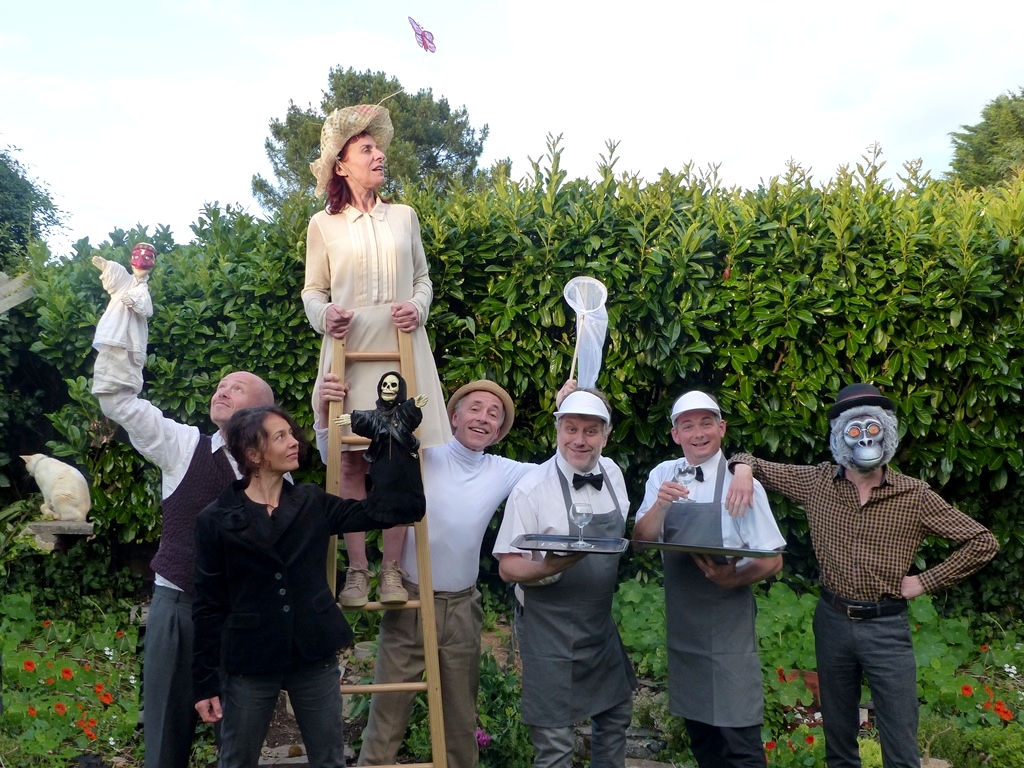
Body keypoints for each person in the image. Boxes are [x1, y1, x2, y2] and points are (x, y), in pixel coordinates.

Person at [727, 383, 998, 768]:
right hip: (832, 622)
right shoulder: (817, 482)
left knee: (900, 744)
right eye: (855, 430)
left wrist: (925, 581)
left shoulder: (914, 495)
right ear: (841, 435)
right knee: (838, 740)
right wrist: (742, 469)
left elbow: (982, 541)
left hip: (886, 628)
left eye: (873, 428)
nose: (865, 438)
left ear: (887, 432)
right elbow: (749, 459)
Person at [192, 405, 425, 768]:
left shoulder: (311, 502)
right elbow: (208, 605)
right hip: (249, 658)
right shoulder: (215, 519)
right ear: (253, 455)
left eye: (291, 434)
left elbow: (394, 511)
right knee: (237, 760)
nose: (294, 442)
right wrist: (205, 684)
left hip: (313, 653)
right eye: (280, 437)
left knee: (330, 760)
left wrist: (394, 441)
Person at [94, 316, 275, 768]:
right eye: (220, 385)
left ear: (262, 412)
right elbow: (118, 401)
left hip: (240, 620)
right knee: (164, 739)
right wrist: (126, 317)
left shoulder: (277, 471)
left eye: (236, 387)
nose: (222, 390)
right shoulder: (181, 444)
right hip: (177, 610)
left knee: (238, 746)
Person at [303, 103, 451, 608]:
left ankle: (391, 571)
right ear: (341, 165)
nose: (379, 155)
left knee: (398, 462)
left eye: (378, 147)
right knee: (349, 463)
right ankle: (357, 571)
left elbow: (422, 279)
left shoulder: (404, 216)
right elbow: (313, 291)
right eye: (366, 149)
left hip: (401, 348)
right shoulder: (323, 224)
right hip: (349, 350)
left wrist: (418, 307)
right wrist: (325, 315)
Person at [631, 391, 785, 768]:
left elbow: (773, 559)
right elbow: (641, 541)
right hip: (685, 628)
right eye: (688, 426)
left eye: (706, 424)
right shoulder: (662, 475)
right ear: (675, 435)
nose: (698, 433)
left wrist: (733, 578)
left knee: (739, 738)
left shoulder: (742, 483)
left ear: (721, 428)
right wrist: (661, 504)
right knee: (702, 738)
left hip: (728, 625)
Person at [493, 389, 636, 768]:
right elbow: (508, 567)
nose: (580, 440)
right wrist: (547, 568)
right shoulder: (531, 488)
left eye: (591, 431)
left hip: (598, 622)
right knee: (555, 740)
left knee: (616, 714)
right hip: (547, 625)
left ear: (606, 435)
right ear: (557, 431)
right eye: (571, 429)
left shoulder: (613, 474)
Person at [91, 242, 156, 395]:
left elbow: (147, 309)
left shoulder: (142, 290)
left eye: (147, 259)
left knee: (127, 369)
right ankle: (108, 389)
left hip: (131, 338)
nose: (140, 264)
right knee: (108, 367)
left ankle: (125, 392)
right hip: (114, 334)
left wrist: (134, 302)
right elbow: (117, 272)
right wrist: (107, 267)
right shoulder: (125, 281)